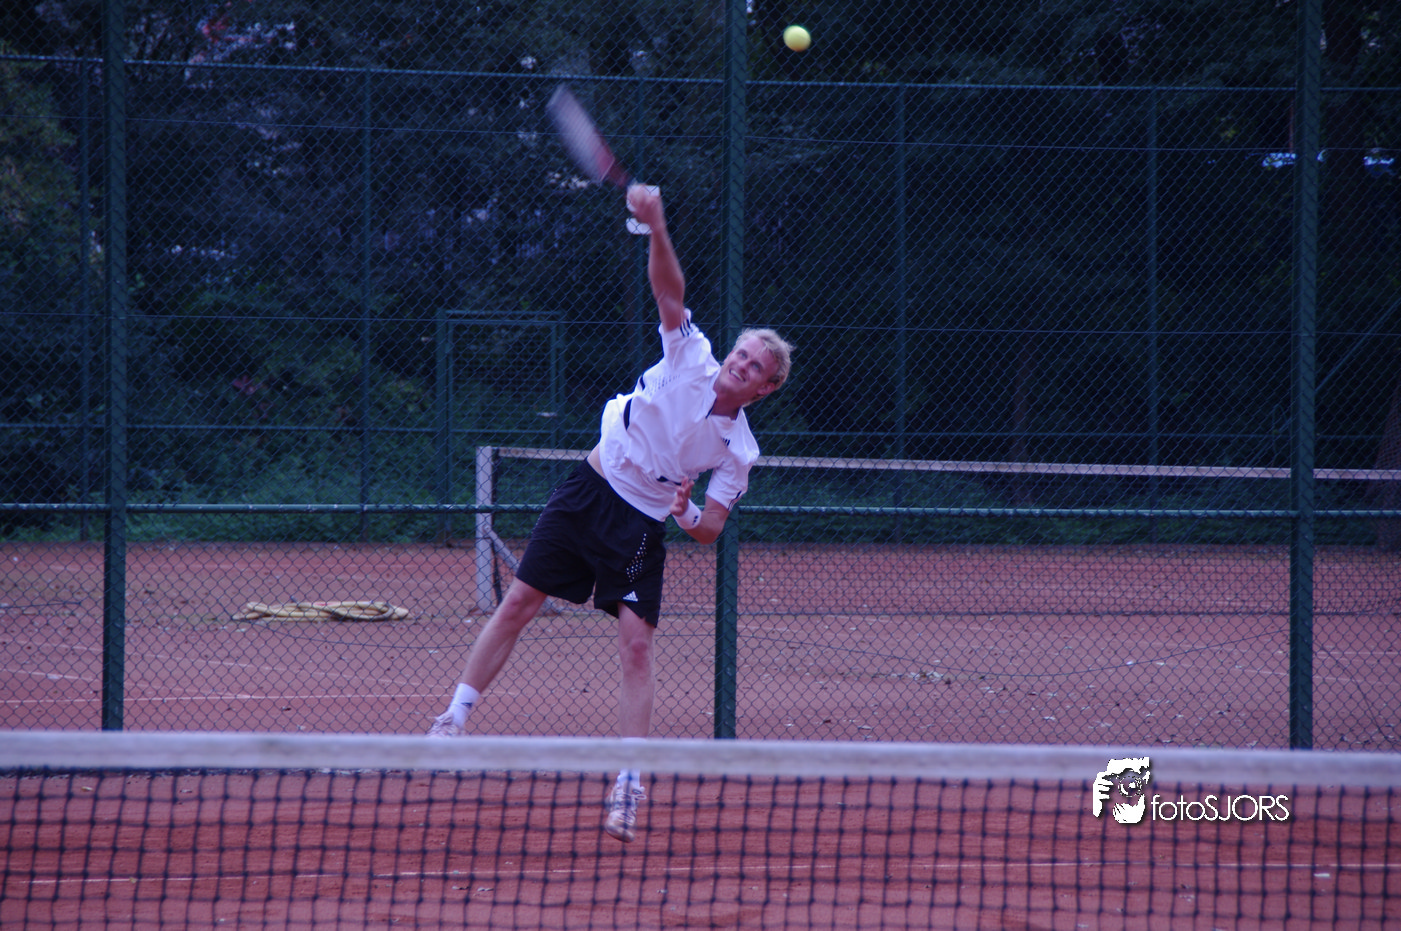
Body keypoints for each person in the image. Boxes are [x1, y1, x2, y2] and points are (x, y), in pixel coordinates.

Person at [427, 184, 793, 843]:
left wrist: (685, 513)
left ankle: (629, 782)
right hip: (590, 488)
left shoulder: (739, 451)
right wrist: (656, 224)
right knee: (519, 602)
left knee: (636, 645)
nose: (740, 365)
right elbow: (669, 292)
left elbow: (710, 529)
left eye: (755, 367)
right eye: (741, 353)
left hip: (640, 526)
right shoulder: (691, 355)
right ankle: (452, 719)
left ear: (765, 389)